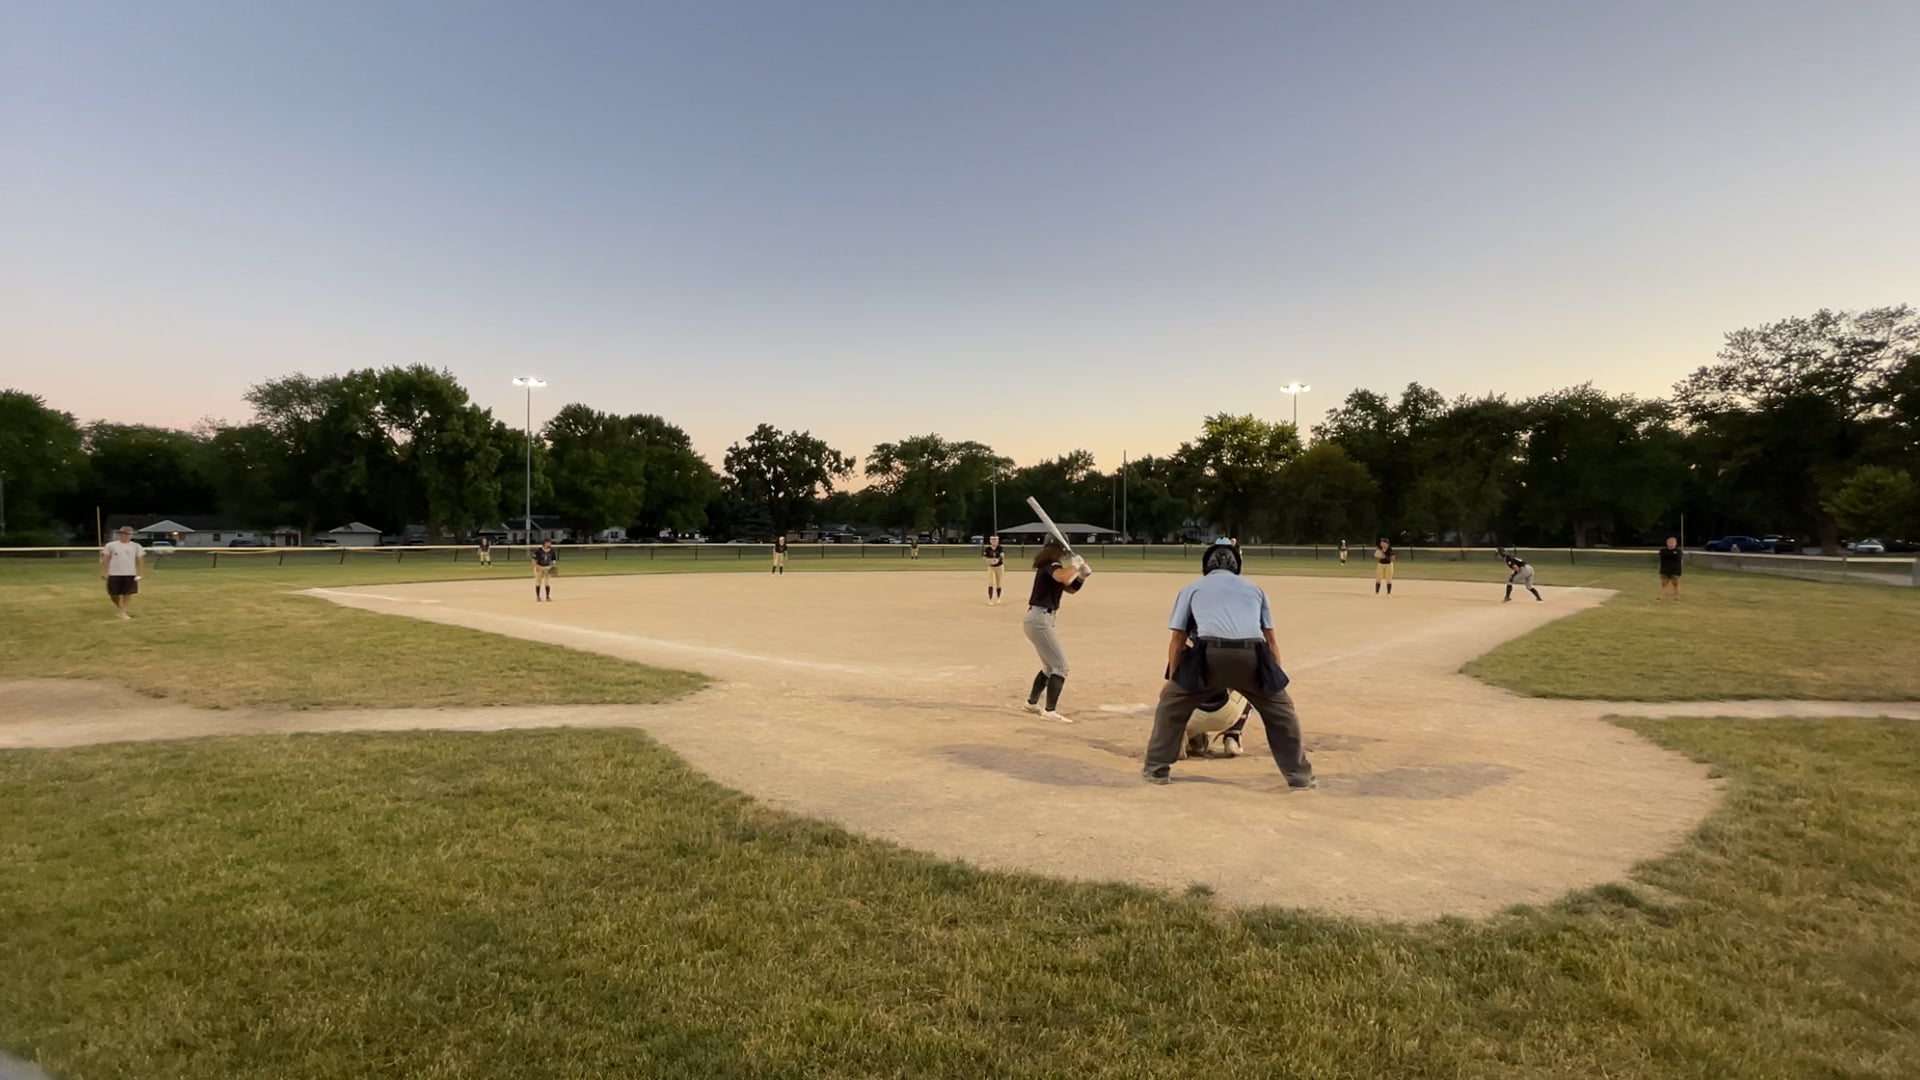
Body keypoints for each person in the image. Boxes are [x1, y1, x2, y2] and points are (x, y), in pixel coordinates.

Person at [1143, 540, 1314, 787]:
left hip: (1208, 656)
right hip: (1252, 655)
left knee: (1170, 706)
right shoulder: (1256, 589)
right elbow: (1271, 641)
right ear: (1237, 566)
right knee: (1282, 713)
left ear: (1206, 566)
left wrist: (1173, 681)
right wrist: (1274, 684)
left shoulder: (1192, 588)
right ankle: (1300, 777)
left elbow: (1178, 639)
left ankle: (1156, 769)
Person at [1020, 540, 1091, 722]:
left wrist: (1081, 576)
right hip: (1040, 619)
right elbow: (1063, 578)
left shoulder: (1052, 567)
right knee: (1061, 667)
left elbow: (1070, 588)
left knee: (1049, 667)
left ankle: (1031, 703)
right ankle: (1049, 711)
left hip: (1039, 619)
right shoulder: (1050, 565)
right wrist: (1075, 567)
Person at [98, 525, 146, 621]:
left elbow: (139, 560)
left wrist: (140, 573)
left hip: (130, 573)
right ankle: (121, 608)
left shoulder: (136, 546)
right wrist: (104, 572)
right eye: (125, 534)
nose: (127, 536)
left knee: (127, 593)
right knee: (113, 594)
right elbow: (105, 559)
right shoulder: (111, 545)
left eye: (129, 534)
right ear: (120, 534)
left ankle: (122, 612)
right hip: (114, 573)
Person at [982, 535, 1005, 604]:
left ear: (998, 541)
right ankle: (990, 599)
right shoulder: (988, 549)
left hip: (999, 567)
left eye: (995, 540)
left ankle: (998, 598)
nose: (994, 541)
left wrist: (998, 559)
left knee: (999, 582)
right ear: (990, 541)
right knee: (991, 582)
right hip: (991, 567)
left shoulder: (1000, 548)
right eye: (992, 540)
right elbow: (984, 557)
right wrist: (989, 560)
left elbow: (1002, 555)